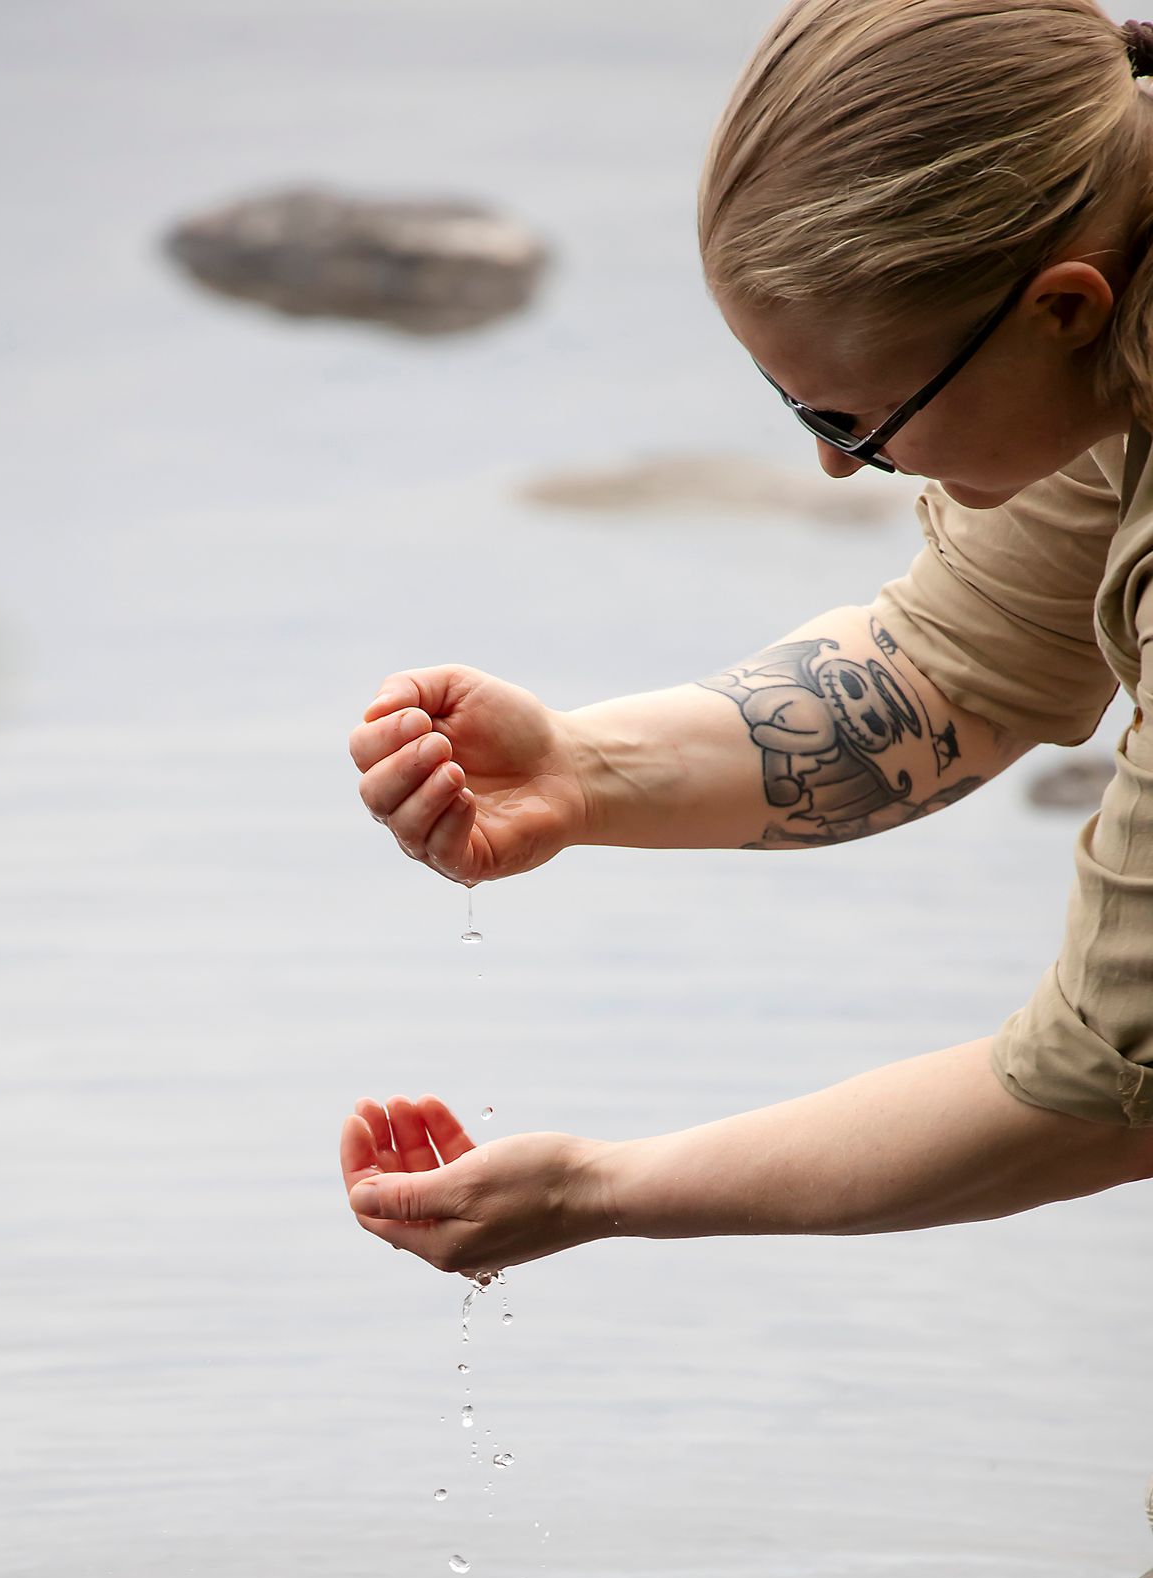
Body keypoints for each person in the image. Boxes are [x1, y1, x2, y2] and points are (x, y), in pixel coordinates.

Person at [340, 0, 1153, 1277]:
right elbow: (959, 666)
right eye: (797, 406)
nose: (833, 468)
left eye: (865, 418)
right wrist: (581, 770)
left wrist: (594, 1191)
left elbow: (1106, 1078)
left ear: (1062, 307)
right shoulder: (1112, 319)